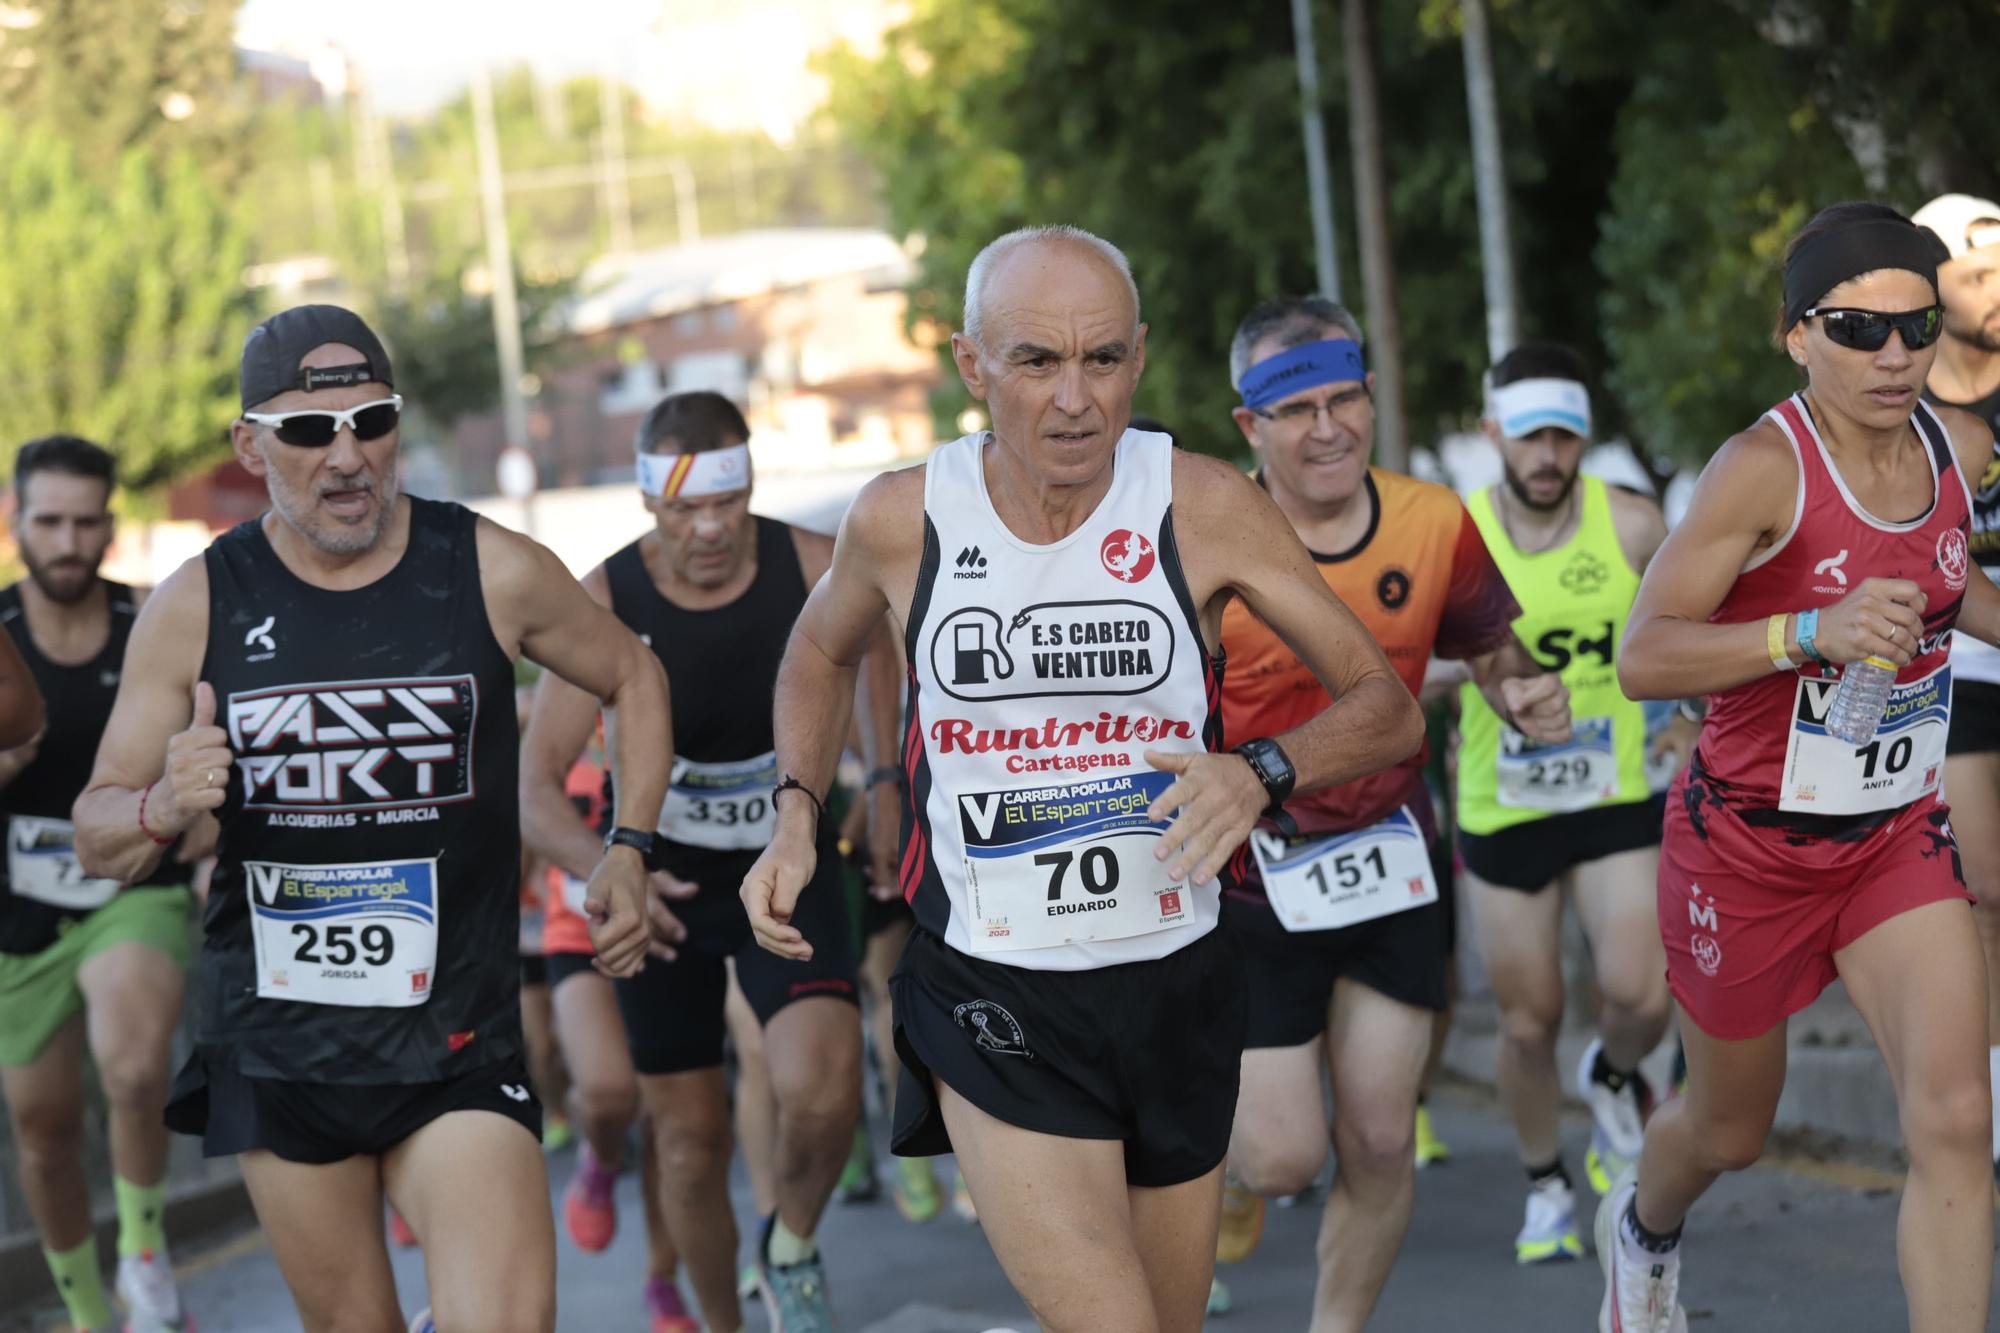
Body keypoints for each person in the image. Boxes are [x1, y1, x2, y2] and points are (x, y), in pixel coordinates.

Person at [741, 225, 1426, 1332]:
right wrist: (793, 820)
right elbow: (816, 653)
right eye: (1036, 363)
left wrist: (1258, 771)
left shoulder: (1198, 504)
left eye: (1102, 360)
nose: (1075, 400)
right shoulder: (901, 517)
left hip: (1176, 981)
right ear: (971, 366)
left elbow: (1381, 703)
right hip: (992, 987)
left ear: (1139, 358)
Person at [73, 304, 669, 1333]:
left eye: (373, 422)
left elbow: (634, 671)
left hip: (458, 1039)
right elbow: (97, 834)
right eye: (311, 431)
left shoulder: (483, 565)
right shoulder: (197, 602)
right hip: (279, 1052)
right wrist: (165, 803)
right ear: (251, 445)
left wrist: (627, 844)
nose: (348, 457)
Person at [1606, 202, 1995, 1333]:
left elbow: (1945, 581)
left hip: (1888, 839)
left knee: (1956, 1118)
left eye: (1914, 328)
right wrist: (1804, 632)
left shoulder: (1949, 449)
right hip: (1744, 852)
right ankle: (1642, 1227)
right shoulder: (1755, 470)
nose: (1892, 356)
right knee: (1731, 1131)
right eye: (1854, 329)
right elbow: (1643, 652)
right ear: (1794, 336)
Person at [1212, 297, 1569, 1329]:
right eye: (1295, 411)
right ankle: (1231, 1164)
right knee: (1284, 1152)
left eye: (1342, 401)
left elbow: (1490, 649)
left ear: (1368, 398)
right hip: (1250, 872)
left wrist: (1523, 690)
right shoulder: (1204, 541)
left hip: (1389, 859)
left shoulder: (1431, 520)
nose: (1325, 428)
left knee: (1375, 1138)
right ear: (1250, 426)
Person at [523, 390, 893, 1333]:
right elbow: (532, 783)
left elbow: (877, 642)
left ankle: (793, 1242)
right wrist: (613, 866)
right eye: (686, 510)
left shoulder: (811, 562)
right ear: (650, 503)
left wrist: (885, 772)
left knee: (824, 1090)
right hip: (667, 880)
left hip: (788, 857)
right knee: (688, 1145)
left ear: (751, 484)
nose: (712, 528)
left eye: (726, 502)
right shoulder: (605, 596)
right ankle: (725, 1322)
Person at [1452, 343, 1682, 1262]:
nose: (1547, 455)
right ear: (1492, 434)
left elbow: (1690, 623)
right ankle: (1547, 1181)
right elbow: (1403, 654)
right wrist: (1481, 672)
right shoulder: (1454, 535)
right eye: (1528, 435)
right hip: (1501, 801)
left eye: (1564, 435)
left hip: (1614, 787)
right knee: (1527, 1016)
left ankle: (1615, 1072)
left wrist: (1692, 725)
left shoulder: (1630, 523)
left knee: (1640, 992)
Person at [0, 436, 197, 1333]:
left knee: (131, 1067)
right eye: (50, 521)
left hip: (132, 887)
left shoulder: (151, 624)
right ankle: (88, 1312)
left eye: (86, 521)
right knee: (41, 1132)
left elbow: (204, 753)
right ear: (17, 524)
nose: (69, 540)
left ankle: (147, 1260)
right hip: (18, 915)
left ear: (110, 525)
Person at [540, 745, 699, 1332]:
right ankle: (601, 1157)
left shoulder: (664, 702)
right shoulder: (552, 711)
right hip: (573, 932)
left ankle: (663, 1282)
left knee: (668, 1123)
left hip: (657, 925)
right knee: (609, 1093)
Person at [1911, 192, 2000, 1181]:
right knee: (1980, 887)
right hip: (1953, 664)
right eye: (1972, 274)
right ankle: (1984, 1088)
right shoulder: (1902, 405)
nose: (1991, 290)